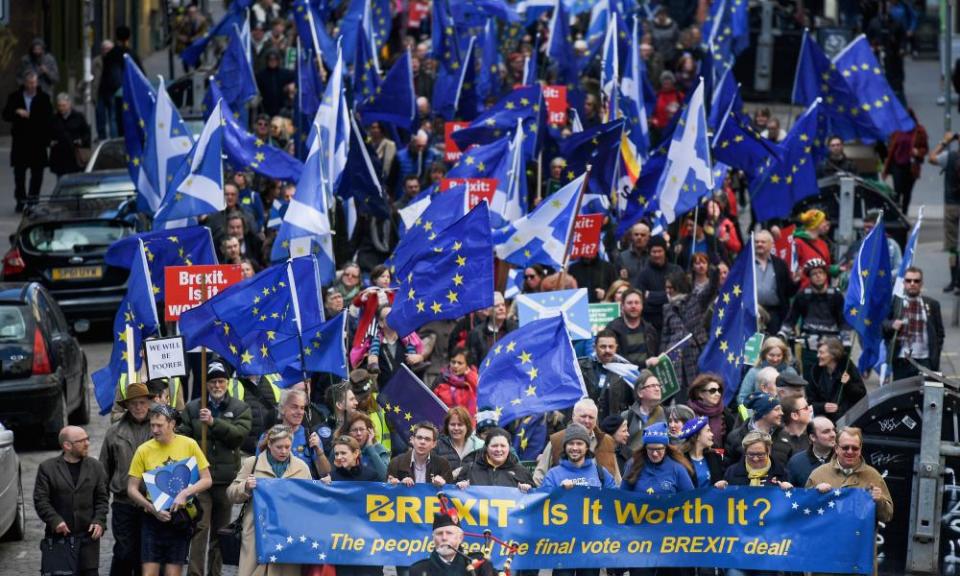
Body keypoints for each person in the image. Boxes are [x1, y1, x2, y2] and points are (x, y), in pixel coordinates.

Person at [177, 361, 252, 576]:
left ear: (227, 383)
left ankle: (215, 573)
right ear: (207, 384)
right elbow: (183, 436)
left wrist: (213, 423)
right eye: (212, 382)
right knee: (200, 528)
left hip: (225, 480)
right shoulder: (193, 407)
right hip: (200, 479)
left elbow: (238, 436)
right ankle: (195, 573)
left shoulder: (239, 408)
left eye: (220, 381)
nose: (217, 386)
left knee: (220, 532)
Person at [127, 404, 213, 576]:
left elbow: (207, 480)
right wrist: (152, 508)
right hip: (152, 518)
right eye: (152, 425)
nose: (155, 429)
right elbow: (131, 489)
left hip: (180, 518)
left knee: (173, 572)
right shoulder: (143, 450)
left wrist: (185, 493)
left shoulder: (189, 444)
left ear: (172, 424)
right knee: (149, 573)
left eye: (159, 425)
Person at [807, 427, 893, 576]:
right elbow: (804, 515)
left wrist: (879, 500)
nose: (850, 451)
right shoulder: (819, 474)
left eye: (855, 448)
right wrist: (814, 496)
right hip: (826, 560)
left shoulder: (873, 476)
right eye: (845, 447)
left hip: (858, 559)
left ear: (860, 449)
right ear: (836, 448)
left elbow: (887, 516)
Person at [227, 425, 311, 576]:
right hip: (257, 533)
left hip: (288, 536)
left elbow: (310, 500)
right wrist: (245, 487)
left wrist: (323, 486)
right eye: (279, 447)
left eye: (287, 446)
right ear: (269, 444)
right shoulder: (252, 463)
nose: (284, 451)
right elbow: (231, 494)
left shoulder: (302, 468)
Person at [34, 426, 109, 576]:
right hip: (60, 540)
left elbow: (102, 499)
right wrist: (55, 521)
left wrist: (99, 521)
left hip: (88, 539)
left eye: (87, 439)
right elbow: (41, 500)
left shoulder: (96, 467)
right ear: (67, 446)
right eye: (82, 441)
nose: (87, 443)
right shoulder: (47, 468)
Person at [99, 382, 156, 576]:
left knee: (147, 554)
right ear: (127, 406)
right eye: (134, 404)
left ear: (149, 403)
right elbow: (104, 470)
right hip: (124, 502)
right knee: (124, 552)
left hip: (153, 502)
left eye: (142, 402)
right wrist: (101, 506)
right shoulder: (114, 432)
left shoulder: (160, 428)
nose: (138, 407)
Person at [780, 258, 848, 378]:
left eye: (821, 273)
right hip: (809, 343)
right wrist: (782, 334)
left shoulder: (836, 295)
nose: (818, 276)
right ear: (809, 277)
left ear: (826, 275)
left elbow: (842, 320)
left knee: (831, 379)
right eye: (814, 274)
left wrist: (846, 338)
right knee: (809, 379)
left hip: (831, 344)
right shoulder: (802, 295)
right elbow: (791, 319)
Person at [533, 399, 621, 485]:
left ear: (596, 420)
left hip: (601, 498)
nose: (587, 421)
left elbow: (617, 480)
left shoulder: (607, 441)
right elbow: (539, 477)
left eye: (591, 417)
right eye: (583, 416)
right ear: (573, 416)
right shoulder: (557, 440)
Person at [3, 71, 52, 212]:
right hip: (21, 142)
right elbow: (5, 114)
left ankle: (33, 200)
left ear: (37, 83)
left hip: (38, 142)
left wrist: (48, 140)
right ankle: (20, 199)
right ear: (24, 83)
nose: (32, 86)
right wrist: (16, 111)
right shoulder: (15, 97)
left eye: (34, 83)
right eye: (29, 83)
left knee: (37, 174)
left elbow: (49, 119)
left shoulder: (43, 98)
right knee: (19, 174)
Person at [884, 266, 945, 380]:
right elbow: (882, 324)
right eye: (908, 280)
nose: (912, 283)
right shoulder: (896, 303)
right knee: (901, 396)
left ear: (921, 284)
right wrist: (892, 324)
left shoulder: (932, 304)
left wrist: (935, 355)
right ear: (904, 283)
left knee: (924, 397)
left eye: (916, 281)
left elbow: (939, 333)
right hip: (902, 360)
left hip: (925, 361)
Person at [408, 508, 497, 576]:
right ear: (433, 539)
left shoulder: (479, 565)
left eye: (449, 533)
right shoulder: (418, 570)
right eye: (439, 534)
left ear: (460, 538)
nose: (444, 538)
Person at [265, 388, 330, 478]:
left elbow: (324, 473)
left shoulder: (310, 436)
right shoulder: (268, 437)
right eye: (294, 407)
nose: (299, 412)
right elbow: (259, 472)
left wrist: (319, 452)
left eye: (302, 408)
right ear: (282, 409)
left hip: (305, 490)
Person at [620, 422, 695, 494]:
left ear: (666, 447)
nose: (655, 454)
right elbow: (622, 497)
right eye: (650, 449)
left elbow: (690, 499)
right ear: (645, 448)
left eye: (659, 449)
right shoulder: (632, 465)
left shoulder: (677, 469)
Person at [928, 130, 960, 293]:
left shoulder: (950, 156)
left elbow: (931, 158)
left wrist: (945, 141)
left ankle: (954, 280)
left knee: (953, 246)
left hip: (952, 205)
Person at [725, 392, 792, 467]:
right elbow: (728, 468)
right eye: (776, 409)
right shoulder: (736, 437)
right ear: (763, 413)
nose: (781, 413)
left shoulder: (785, 436)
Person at [807, 337, 866, 421]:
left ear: (833, 354)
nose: (818, 356)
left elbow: (861, 396)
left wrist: (848, 384)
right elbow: (810, 401)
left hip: (846, 420)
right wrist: (822, 407)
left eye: (821, 353)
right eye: (818, 352)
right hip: (822, 420)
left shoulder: (847, 368)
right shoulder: (815, 372)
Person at [455, 428, 534, 490]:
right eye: (494, 446)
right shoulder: (469, 470)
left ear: (509, 447)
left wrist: (528, 491)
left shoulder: (522, 472)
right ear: (487, 447)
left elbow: (535, 501)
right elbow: (452, 497)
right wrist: (459, 488)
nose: (499, 449)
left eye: (503, 446)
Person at [883, 109, 928, 214]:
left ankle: (904, 212)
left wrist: (918, 152)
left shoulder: (919, 131)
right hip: (897, 164)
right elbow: (891, 147)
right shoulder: (897, 130)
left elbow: (925, 148)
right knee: (897, 190)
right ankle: (896, 213)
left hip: (911, 166)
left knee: (907, 191)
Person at [635, 236, 683, 332]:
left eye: (660, 251)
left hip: (676, 324)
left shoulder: (676, 270)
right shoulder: (643, 274)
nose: (657, 255)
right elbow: (641, 302)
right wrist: (668, 297)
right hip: (652, 327)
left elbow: (681, 296)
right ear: (649, 253)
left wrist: (651, 296)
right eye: (654, 252)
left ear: (665, 251)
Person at [387, 422, 454, 487]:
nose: (422, 442)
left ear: (434, 444)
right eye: (419, 437)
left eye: (427, 439)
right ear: (412, 440)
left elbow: (450, 493)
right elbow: (387, 491)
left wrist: (444, 485)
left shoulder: (442, 464)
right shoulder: (396, 463)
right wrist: (398, 485)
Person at [604, 289, 659, 367]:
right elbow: (613, 360)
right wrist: (644, 364)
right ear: (622, 306)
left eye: (637, 303)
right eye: (629, 303)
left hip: (647, 375)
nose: (633, 306)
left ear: (642, 306)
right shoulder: (612, 329)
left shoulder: (650, 330)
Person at [723, 430, 793, 491]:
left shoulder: (783, 474)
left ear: (769, 452)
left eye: (760, 455)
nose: (755, 459)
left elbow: (789, 502)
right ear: (745, 452)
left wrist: (790, 490)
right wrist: (720, 488)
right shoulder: (732, 472)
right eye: (751, 454)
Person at [737, 337, 798, 405]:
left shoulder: (790, 372)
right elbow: (741, 399)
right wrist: (749, 415)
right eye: (771, 355)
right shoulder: (753, 372)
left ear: (783, 355)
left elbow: (798, 397)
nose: (775, 359)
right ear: (764, 354)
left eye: (779, 355)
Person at [583, 329, 630, 419]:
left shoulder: (626, 370)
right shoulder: (582, 368)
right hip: (589, 422)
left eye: (611, 347)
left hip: (616, 424)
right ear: (594, 347)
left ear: (616, 347)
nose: (607, 350)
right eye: (603, 347)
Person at [754, 230, 794, 334]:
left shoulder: (780, 264)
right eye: (757, 242)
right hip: (752, 312)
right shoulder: (746, 263)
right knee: (753, 346)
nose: (759, 244)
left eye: (763, 242)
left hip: (775, 313)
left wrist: (796, 282)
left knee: (772, 343)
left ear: (771, 244)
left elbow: (788, 291)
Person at [685, 373, 737, 450]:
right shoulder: (688, 413)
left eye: (719, 390)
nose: (717, 394)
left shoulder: (726, 413)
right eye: (712, 391)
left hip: (721, 458)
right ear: (700, 394)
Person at [336, 411, 389, 481]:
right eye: (354, 430)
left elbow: (384, 477)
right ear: (347, 433)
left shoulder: (379, 449)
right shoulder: (339, 450)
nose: (359, 433)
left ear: (369, 432)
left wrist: (370, 448)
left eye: (362, 429)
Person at [622, 370, 667, 452]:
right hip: (634, 462)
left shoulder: (668, 414)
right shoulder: (627, 416)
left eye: (658, 385)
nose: (657, 389)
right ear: (640, 392)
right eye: (652, 386)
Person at [49, 93, 91, 177]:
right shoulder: (54, 118)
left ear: (69, 104)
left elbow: (87, 133)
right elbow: (48, 133)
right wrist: (51, 142)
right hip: (59, 157)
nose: (61, 108)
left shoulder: (78, 117)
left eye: (63, 105)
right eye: (59, 106)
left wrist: (81, 141)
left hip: (75, 156)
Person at [787, 416, 836, 487]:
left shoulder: (843, 459)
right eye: (826, 432)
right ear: (813, 437)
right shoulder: (796, 462)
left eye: (834, 430)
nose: (833, 434)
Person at [791, 210, 834, 290]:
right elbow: (793, 269)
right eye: (823, 221)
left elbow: (826, 267)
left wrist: (837, 269)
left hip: (822, 291)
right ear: (816, 224)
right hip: (805, 291)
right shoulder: (797, 243)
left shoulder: (823, 244)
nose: (826, 224)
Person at [680, 416, 727, 488]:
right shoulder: (681, 461)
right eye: (708, 431)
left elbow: (725, 478)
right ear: (697, 436)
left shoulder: (715, 456)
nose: (712, 434)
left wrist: (722, 483)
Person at [435, 406, 484, 473]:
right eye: (452, 424)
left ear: (467, 426)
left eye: (460, 425)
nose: (456, 428)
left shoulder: (480, 446)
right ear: (447, 426)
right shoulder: (437, 446)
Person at [432, 348, 478, 415]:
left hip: (467, 421)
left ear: (467, 365)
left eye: (460, 363)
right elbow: (432, 401)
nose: (455, 366)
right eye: (453, 362)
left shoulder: (473, 380)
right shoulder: (441, 379)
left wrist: (469, 375)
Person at [618, 221, 650, 287]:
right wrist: (621, 278)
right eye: (636, 234)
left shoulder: (653, 255)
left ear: (648, 237)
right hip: (630, 294)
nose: (639, 237)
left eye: (643, 235)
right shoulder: (622, 257)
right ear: (632, 236)